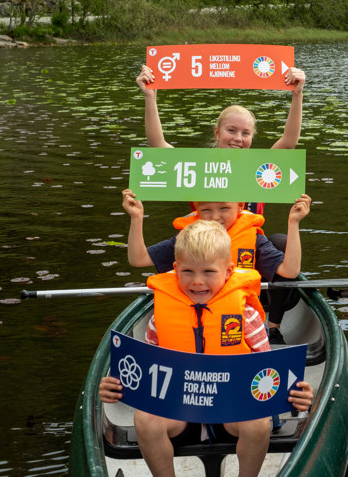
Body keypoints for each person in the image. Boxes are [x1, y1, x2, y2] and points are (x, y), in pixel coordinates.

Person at [99, 220, 313, 477]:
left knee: (258, 422)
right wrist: (116, 386)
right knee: (145, 419)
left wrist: (296, 393)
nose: (197, 281)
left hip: (232, 409)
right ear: (175, 269)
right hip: (179, 410)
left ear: (228, 271)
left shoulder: (245, 315)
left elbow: (267, 370)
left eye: (209, 272)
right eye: (188, 271)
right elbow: (145, 370)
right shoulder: (160, 317)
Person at [122, 189, 311, 344]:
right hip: (186, 316)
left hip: (238, 319)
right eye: (206, 210)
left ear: (239, 207)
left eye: (223, 208)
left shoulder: (253, 239)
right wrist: (136, 218)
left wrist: (293, 223)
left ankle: (273, 330)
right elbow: (138, 259)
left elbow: (290, 271)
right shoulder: (189, 239)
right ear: (196, 209)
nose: (215, 217)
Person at [136, 64, 306, 215]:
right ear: (217, 133)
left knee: (280, 241)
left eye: (245, 133)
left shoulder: (262, 167)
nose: (238, 138)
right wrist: (150, 97)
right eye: (231, 131)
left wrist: (297, 95)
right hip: (205, 244)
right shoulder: (198, 166)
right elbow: (157, 145)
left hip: (247, 244)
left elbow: (289, 142)